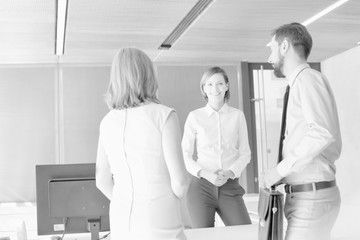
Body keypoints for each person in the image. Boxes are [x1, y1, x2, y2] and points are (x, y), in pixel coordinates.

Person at [95, 47, 189, 240]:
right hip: (160, 214)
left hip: (121, 218)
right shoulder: (164, 115)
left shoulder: (107, 121)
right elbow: (180, 181)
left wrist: (128, 201)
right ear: (148, 75)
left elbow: (102, 181)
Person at [263, 23, 342, 240]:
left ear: (285, 46)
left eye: (272, 49)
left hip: (312, 197)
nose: (270, 58)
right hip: (304, 196)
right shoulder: (299, 83)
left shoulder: (307, 80)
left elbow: (322, 132)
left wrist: (279, 170)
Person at [181, 66, 252, 228]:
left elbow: (245, 153)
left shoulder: (237, 116)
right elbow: (185, 155)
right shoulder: (194, 117)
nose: (215, 88)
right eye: (210, 84)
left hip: (230, 187)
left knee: (245, 233)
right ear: (204, 88)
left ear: (227, 86)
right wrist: (206, 174)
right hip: (201, 188)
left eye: (220, 83)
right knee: (202, 237)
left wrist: (230, 172)